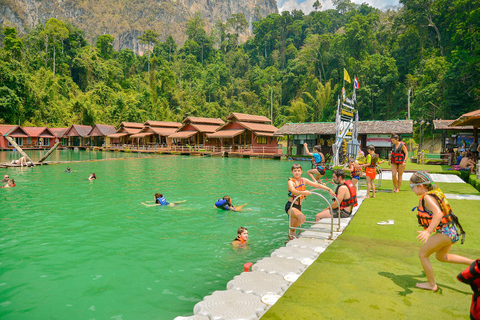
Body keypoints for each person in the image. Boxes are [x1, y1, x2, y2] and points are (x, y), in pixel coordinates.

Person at [410, 171, 473, 291]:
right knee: (441, 256)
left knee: (423, 254)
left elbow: (438, 214)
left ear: (420, 186)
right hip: (452, 230)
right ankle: (473, 262)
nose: (412, 190)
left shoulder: (428, 197)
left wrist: (428, 231)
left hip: (446, 232)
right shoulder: (435, 192)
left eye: (412, 186)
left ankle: (431, 284)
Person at [286, 164, 336, 240]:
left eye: (298, 171)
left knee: (294, 227)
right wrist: (303, 192)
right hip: (291, 206)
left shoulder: (304, 180)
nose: (297, 172)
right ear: (292, 172)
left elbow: (316, 185)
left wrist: (329, 189)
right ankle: (291, 234)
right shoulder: (290, 182)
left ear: (301, 172)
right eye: (295, 171)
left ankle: (289, 240)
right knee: (301, 218)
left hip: (299, 207)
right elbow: (294, 191)